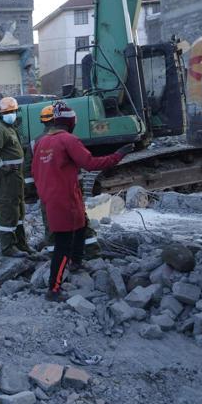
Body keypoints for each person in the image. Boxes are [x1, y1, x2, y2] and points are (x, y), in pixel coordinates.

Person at [32, 102, 133, 301]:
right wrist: (118, 155)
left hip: (57, 198)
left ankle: (77, 262)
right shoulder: (68, 140)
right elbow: (91, 164)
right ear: (71, 122)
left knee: (80, 226)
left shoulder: (42, 142)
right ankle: (53, 289)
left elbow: (35, 172)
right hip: (65, 199)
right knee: (63, 243)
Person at [0, 97, 34, 257]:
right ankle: (8, 247)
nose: (11, 114)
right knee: (8, 209)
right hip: (7, 177)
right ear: (1, 113)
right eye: (7, 112)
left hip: (16, 175)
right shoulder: (0, 129)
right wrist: (2, 166)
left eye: (12, 111)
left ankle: (21, 244)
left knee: (18, 209)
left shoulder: (10, 128)